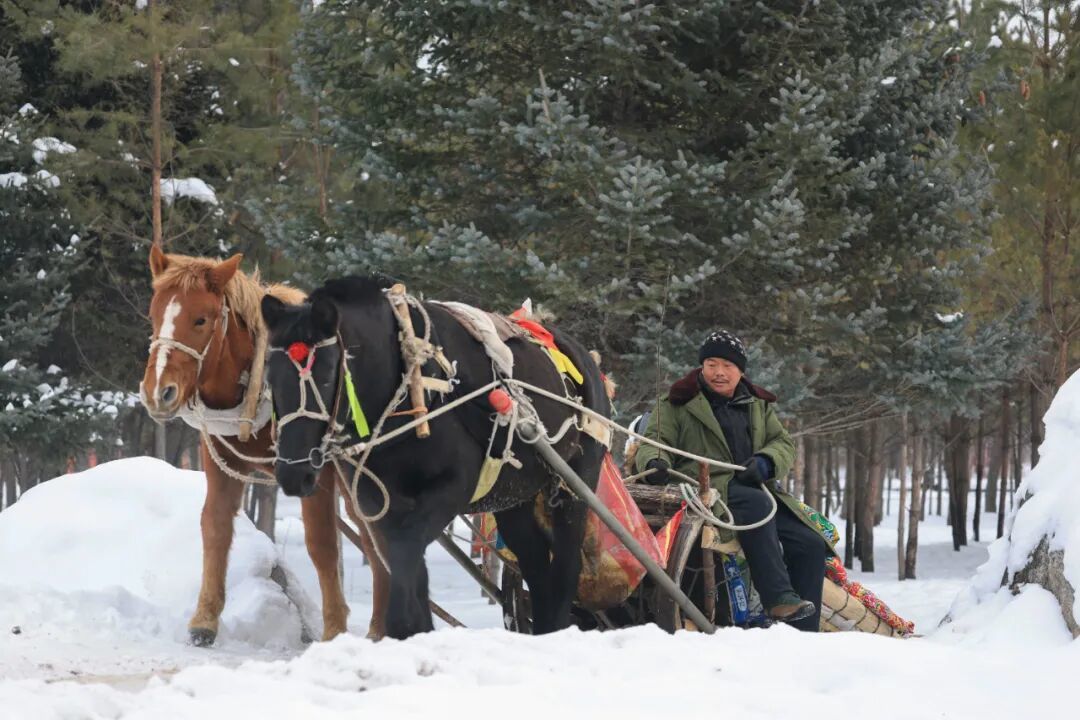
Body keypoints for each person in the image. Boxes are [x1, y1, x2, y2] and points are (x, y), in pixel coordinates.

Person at [634, 330, 832, 631]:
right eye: (712, 364)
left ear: (740, 371)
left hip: (758, 489)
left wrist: (766, 461)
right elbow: (655, 439)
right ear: (702, 366)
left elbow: (783, 443)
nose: (719, 373)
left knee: (810, 542)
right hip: (708, 492)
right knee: (754, 503)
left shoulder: (757, 403)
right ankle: (777, 597)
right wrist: (654, 462)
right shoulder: (677, 401)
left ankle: (804, 633)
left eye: (728, 366)